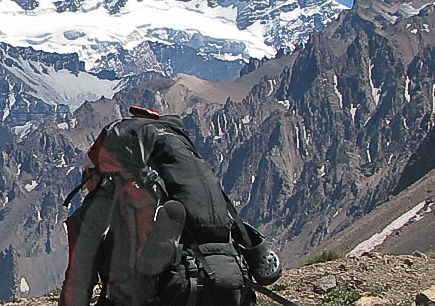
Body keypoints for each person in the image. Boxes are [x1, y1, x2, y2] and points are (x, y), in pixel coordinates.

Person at [59, 106, 280, 306]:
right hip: (229, 278)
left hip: (169, 292)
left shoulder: (102, 205)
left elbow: (77, 285)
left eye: (85, 178)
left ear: (94, 172)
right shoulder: (179, 186)